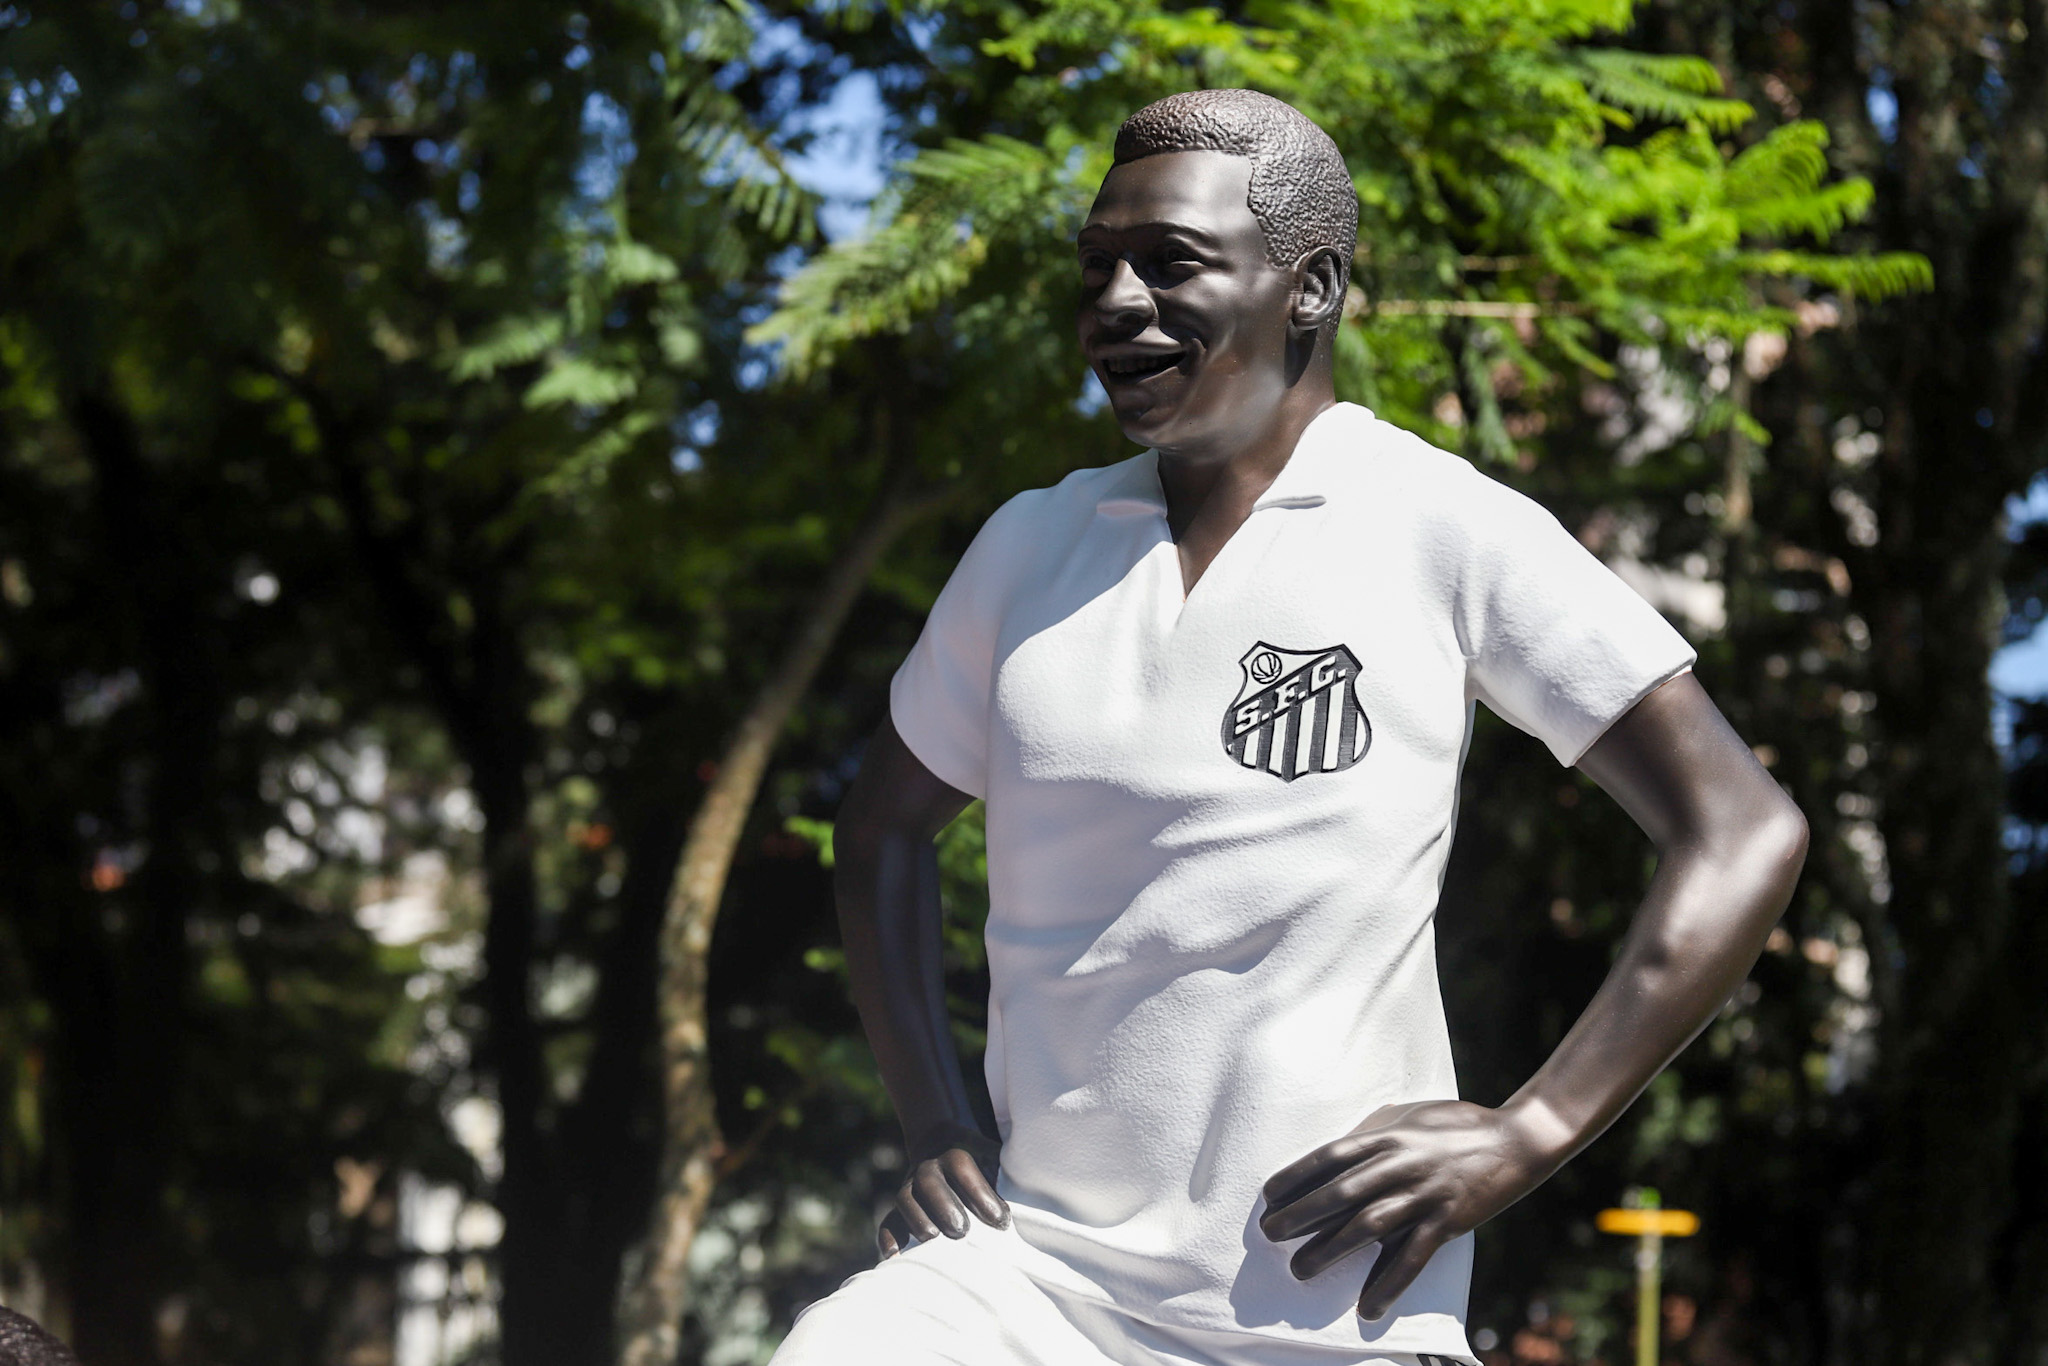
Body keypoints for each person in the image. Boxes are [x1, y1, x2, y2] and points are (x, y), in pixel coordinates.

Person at [773, 89, 1808, 1366]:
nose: (1112, 302)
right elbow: (878, 832)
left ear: (1307, 287)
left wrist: (1530, 1130)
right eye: (1095, 263)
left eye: (1170, 263)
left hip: (1324, 1315)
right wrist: (933, 1120)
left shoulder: (1441, 525)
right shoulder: (1026, 546)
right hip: (1026, 1287)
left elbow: (1740, 826)